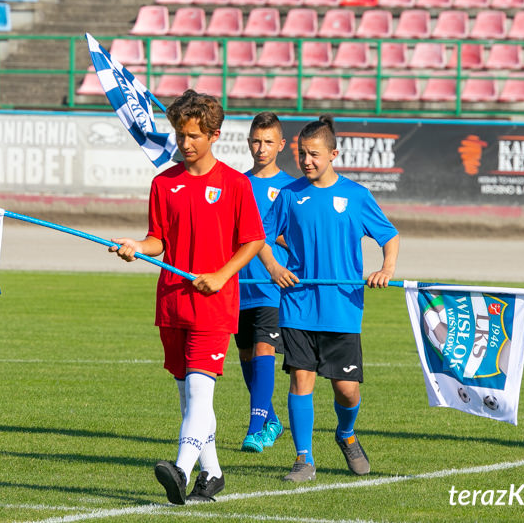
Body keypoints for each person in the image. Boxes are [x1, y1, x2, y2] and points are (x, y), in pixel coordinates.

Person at [110, 90, 265, 503]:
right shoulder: (163, 183)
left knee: (200, 392)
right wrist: (135, 247)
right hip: (173, 302)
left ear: (214, 135)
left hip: (214, 306)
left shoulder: (234, 184)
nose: (185, 143)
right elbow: (157, 239)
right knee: (188, 398)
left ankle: (180, 468)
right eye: (180, 135)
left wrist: (220, 275)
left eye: (194, 136)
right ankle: (211, 476)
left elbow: (252, 241)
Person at [260, 116, 399, 482]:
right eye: (302, 154)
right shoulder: (289, 194)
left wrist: (386, 268)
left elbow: (389, 236)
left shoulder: (356, 195)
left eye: (314, 154)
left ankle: (346, 433)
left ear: (334, 153)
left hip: (342, 307)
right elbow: (260, 237)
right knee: (300, 380)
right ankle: (304, 458)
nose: (306, 161)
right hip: (298, 304)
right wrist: (275, 267)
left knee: (347, 390)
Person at [237, 112, 295, 453]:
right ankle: (271, 419)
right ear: (248, 143)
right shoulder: (237, 183)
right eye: (257, 141)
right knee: (246, 356)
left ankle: (255, 429)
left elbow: (297, 235)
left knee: (264, 349)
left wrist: (279, 240)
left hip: (272, 286)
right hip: (239, 285)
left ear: (281, 145)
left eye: (269, 142)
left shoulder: (291, 188)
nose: (262, 148)